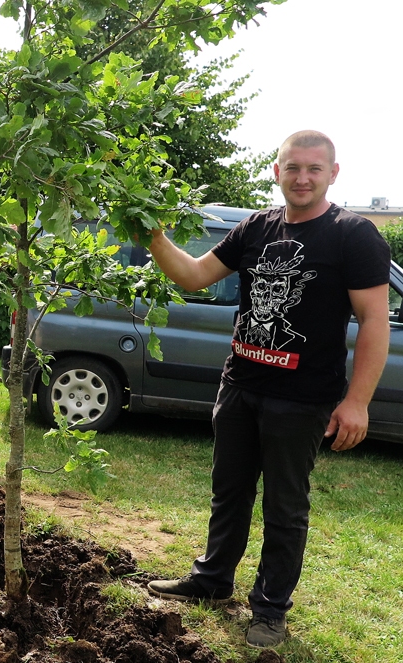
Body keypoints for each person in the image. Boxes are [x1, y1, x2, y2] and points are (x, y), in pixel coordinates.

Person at [145, 131, 390, 648]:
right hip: (240, 384)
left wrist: (357, 402)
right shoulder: (256, 226)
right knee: (228, 493)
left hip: (302, 399)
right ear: (276, 170)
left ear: (333, 173)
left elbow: (373, 321)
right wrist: (152, 235)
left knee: (284, 507)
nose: (302, 178)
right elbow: (194, 276)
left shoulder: (354, 234)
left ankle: (270, 607)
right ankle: (212, 580)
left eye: (313, 169)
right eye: (291, 167)